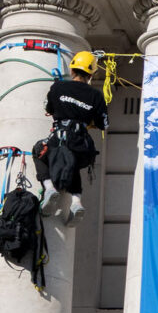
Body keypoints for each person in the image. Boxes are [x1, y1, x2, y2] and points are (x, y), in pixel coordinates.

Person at [38, 51, 110, 221]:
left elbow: (48, 109)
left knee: (39, 152)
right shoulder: (96, 96)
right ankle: (76, 202)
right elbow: (104, 124)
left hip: (60, 138)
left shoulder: (58, 87)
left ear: (72, 71)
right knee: (73, 163)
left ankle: (49, 188)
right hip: (81, 143)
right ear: (91, 74)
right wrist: (89, 121)